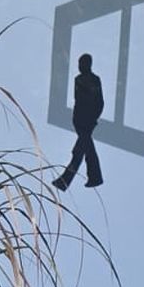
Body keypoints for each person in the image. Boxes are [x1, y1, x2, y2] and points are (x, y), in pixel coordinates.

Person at [53, 53, 104, 191]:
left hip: (88, 119)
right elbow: (77, 100)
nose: (80, 66)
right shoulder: (78, 79)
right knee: (83, 148)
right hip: (79, 119)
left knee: (80, 150)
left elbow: (99, 102)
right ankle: (93, 177)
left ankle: (69, 180)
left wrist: (93, 118)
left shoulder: (94, 79)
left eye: (82, 63)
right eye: (79, 64)